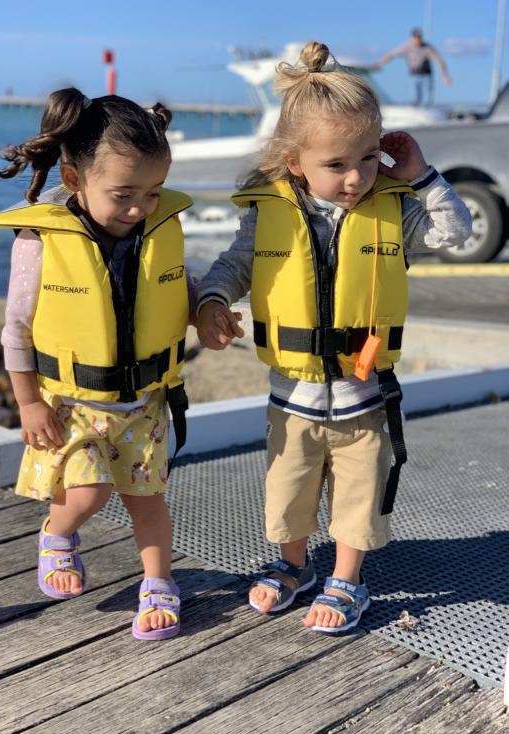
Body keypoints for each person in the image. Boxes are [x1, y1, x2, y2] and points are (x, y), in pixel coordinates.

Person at [196, 41, 471, 634]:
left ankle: (348, 579)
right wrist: (211, 302)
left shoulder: (396, 210)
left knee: (357, 491)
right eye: (337, 165)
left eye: (369, 158)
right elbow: (232, 265)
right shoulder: (266, 212)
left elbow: (457, 229)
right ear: (294, 160)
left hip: (363, 394)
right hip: (290, 395)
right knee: (289, 487)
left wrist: (420, 174)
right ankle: (294, 567)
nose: (356, 178)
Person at [0, 89, 194, 640]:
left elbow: (170, 287)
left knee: (148, 503)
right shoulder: (40, 238)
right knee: (88, 494)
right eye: (125, 194)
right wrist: (28, 401)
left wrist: (205, 309)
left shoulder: (155, 225)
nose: (140, 209)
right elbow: (17, 329)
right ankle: (58, 533)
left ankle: (159, 582)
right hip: (73, 407)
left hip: (143, 403)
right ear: (75, 180)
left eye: (153, 193)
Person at [376, 27, 452, 106]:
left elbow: (439, 60)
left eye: (420, 37)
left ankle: (426, 113)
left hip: (426, 76)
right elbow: (391, 54)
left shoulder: (427, 47)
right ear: (412, 37)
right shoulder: (406, 47)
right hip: (414, 76)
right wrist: (379, 63)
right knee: (415, 99)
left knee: (427, 100)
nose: (418, 39)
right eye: (416, 37)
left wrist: (445, 75)